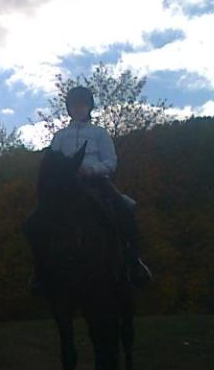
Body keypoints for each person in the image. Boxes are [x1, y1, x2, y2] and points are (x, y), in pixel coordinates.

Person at [27, 85, 151, 294]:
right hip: (66, 187)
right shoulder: (60, 136)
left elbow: (111, 162)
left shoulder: (99, 133)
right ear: (69, 109)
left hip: (96, 183)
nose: (78, 109)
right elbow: (52, 162)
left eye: (82, 105)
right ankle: (40, 271)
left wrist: (91, 170)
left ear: (89, 107)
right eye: (74, 105)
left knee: (125, 209)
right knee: (35, 220)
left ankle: (134, 263)